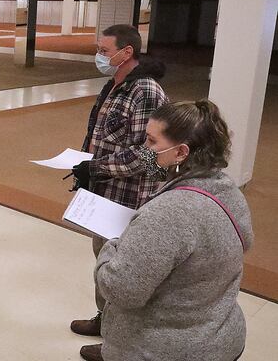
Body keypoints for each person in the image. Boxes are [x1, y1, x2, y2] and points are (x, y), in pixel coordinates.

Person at [83, 100, 254, 361]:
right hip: (219, 333)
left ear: (181, 152)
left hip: (161, 348)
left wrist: (112, 245)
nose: (144, 150)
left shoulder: (169, 212)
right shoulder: (227, 190)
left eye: (151, 142)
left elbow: (121, 291)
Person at [69, 24, 169, 338]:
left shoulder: (145, 91)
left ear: (127, 52)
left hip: (130, 196)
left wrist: (97, 166)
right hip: (106, 189)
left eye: (104, 51)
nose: (100, 57)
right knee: (105, 259)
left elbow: (149, 153)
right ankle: (106, 319)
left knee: (124, 268)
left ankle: (120, 335)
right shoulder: (115, 83)